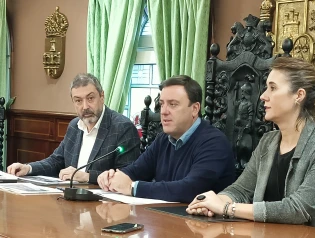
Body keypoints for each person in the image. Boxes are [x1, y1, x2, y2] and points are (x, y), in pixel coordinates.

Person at [187, 57, 315, 238]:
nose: (263, 95)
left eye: (272, 88)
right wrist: (212, 202)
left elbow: (297, 210)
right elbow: (240, 190)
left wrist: (227, 208)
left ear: (299, 95)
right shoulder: (268, 141)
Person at [97, 75, 235, 203]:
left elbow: (191, 189)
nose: (163, 111)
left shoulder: (214, 143)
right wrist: (112, 177)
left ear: (195, 109)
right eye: (162, 104)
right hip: (165, 218)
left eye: (173, 104)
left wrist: (132, 187)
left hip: (206, 225)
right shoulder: (163, 139)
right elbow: (135, 171)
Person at [7, 73, 140, 183]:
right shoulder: (74, 126)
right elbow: (56, 161)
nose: (85, 106)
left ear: (102, 96)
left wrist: (87, 177)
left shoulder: (122, 128)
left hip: (106, 207)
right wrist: (28, 168)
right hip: (72, 200)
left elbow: (128, 176)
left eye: (90, 98)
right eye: (78, 101)